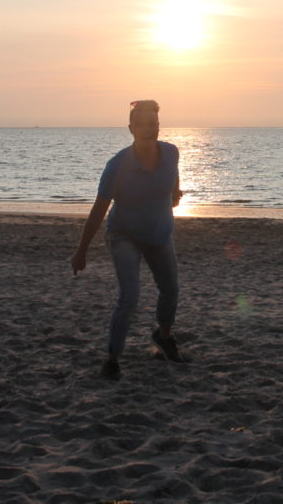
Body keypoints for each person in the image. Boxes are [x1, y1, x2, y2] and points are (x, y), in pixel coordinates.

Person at [70, 99, 185, 379]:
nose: (148, 129)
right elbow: (99, 209)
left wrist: (174, 195)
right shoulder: (117, 165)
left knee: (170, 289)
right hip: (124, 234)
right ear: (131, 128)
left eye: (153, 124)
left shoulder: (171, 152)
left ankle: (163, 336)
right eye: (141, 125)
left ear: (159, 126)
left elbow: (174, 178)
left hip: (159, 232)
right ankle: (112, 359)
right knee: (130, 297)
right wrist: (81, 250)